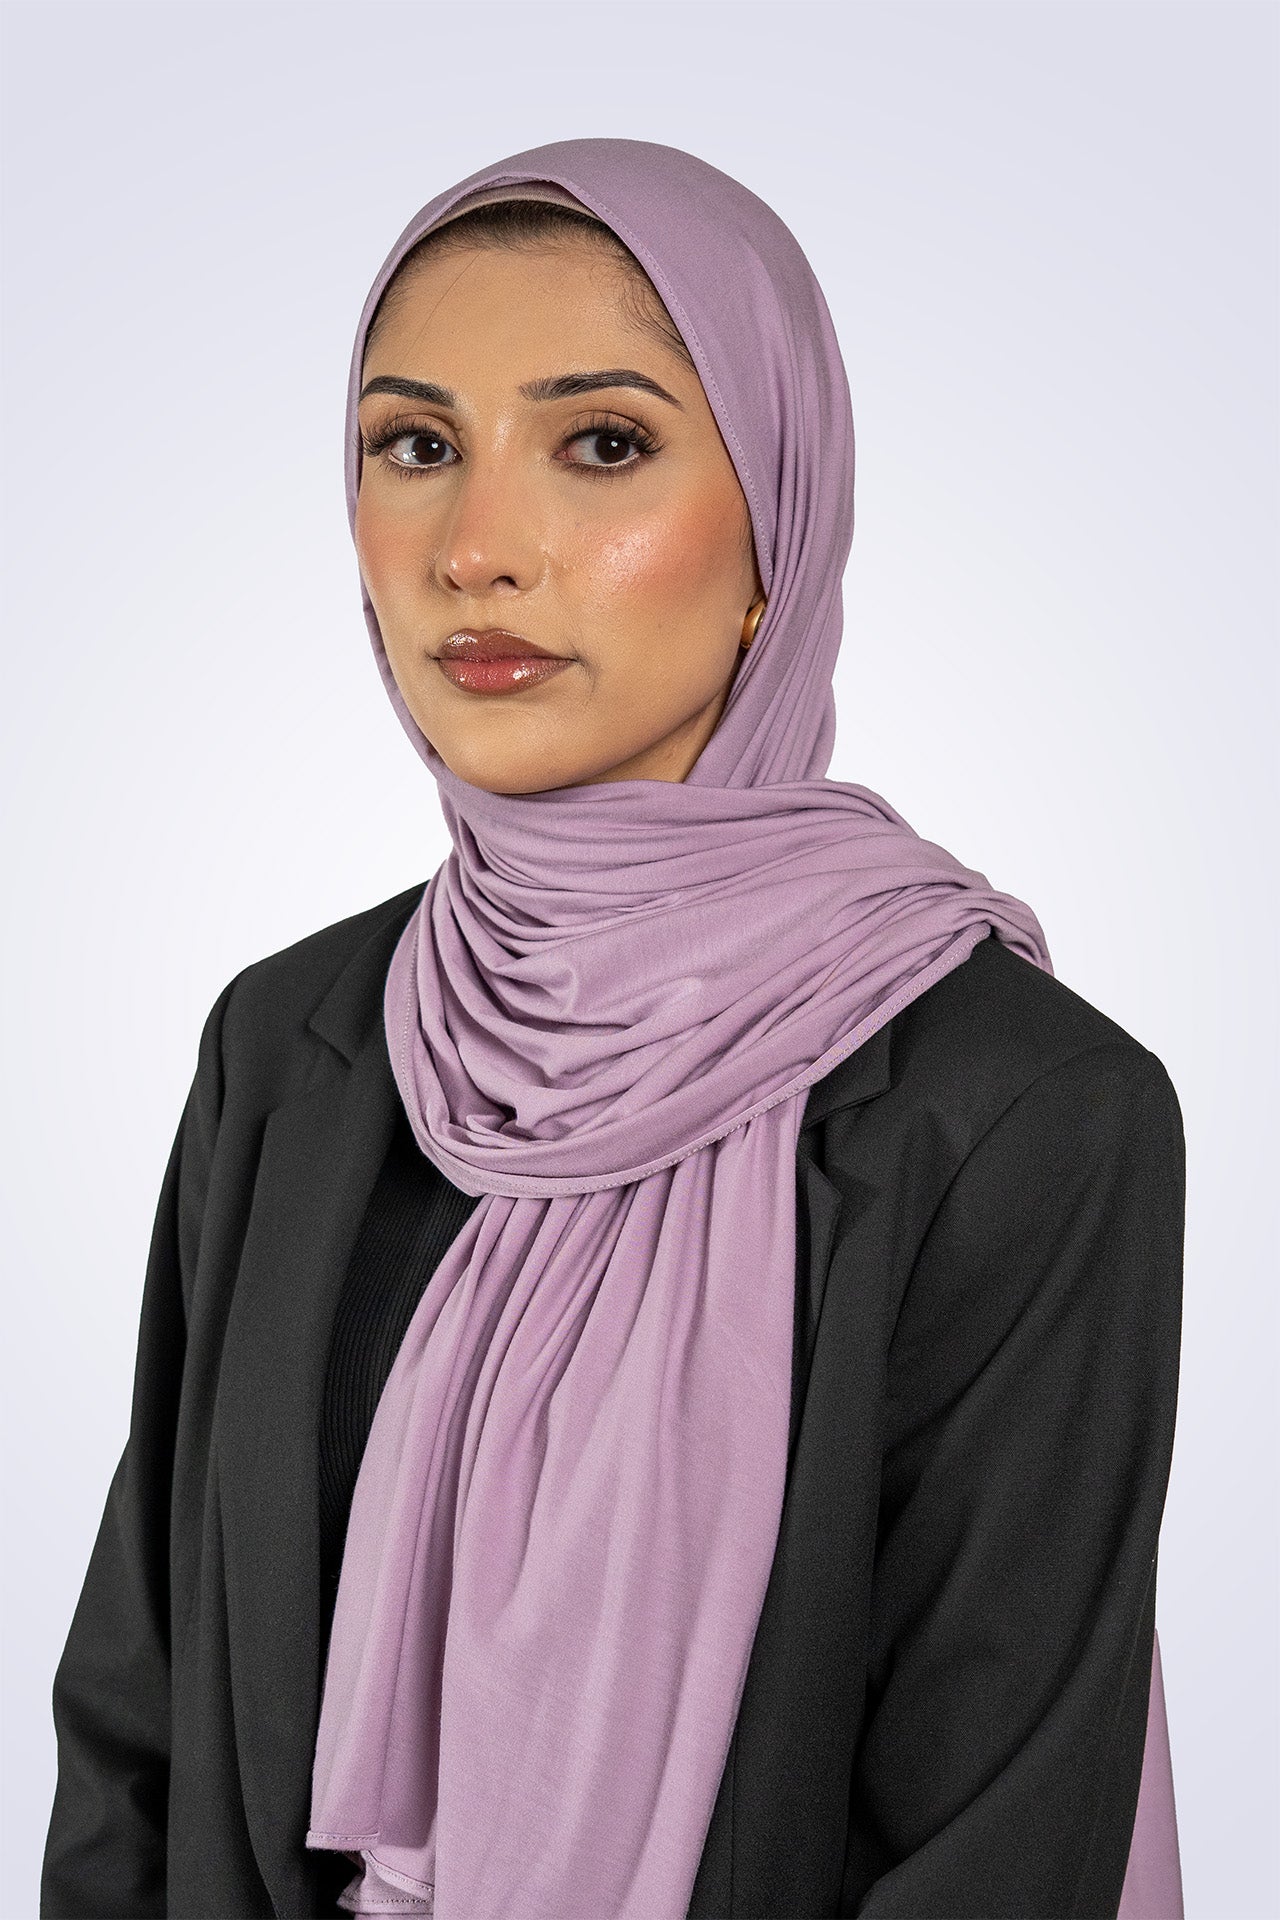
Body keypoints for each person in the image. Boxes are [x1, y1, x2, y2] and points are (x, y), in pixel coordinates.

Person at [40, 140, 1186, 1920]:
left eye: (601, 445)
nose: (475, 553)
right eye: (416, 448)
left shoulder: (1016, 1111)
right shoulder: (292, 1045)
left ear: (776, 532)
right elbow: (142, 1722)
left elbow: (999, 1834)